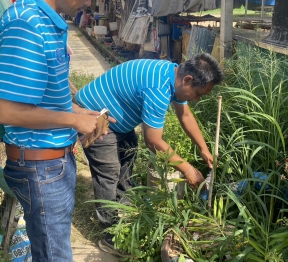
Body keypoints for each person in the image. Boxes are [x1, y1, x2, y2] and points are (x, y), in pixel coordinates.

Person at [0, 0, 106, 260]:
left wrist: (82, 113)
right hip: (40, 166)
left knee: (51, 247)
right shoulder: (26, 25)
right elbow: (9, 111)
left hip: (51, 161)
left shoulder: (46, 22)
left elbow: (44, 96)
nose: (90, 0)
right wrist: (73, 120)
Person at [75, 53, 223, 256]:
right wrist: (188, 169)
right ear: (188, 80)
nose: (197, 99)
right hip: (93, 115)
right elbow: (153, 141)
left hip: (117, 116)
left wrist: (203, 148)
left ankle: (124, 204)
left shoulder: (173, 75)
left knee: (129, 151)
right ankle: (110, 233)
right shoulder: (158, 88)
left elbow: (185, 115)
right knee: (108, 171)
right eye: (198, 94)